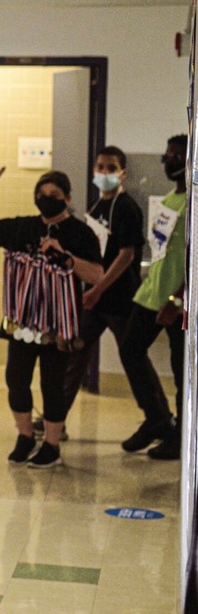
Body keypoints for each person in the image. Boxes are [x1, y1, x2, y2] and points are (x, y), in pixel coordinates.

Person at [0, 168, 103, 468]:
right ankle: (25, 435)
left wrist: (67, 258)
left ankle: (53, 445)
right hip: (22, 321)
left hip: (60, 324)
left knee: (52, 384)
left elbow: (97, 275)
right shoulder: (24, 227)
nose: (46, 200)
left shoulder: (80, 233)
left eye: (54, 196)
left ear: (68, 198)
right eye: (41, 195)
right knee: (15, 380)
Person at [55, 146, 143, 436]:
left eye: (110, 167)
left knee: (133, 358)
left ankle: (157, 417)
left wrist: (98, 288)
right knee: (74, 357)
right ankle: (56, 420)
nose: (104, 173)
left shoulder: (127, 208)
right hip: (94, 300)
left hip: (119, 299)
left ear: (122, 172)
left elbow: (126, 255)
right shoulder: (96, 209)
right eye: (100, 167)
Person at [117, 134, 189, 460]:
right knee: (131, 350)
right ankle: (157, 419)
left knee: (180, 369)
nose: (170, 161)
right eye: (168, 156)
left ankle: (180, 436)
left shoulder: (194, 205)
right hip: (151, 293)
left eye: (178, 156)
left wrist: (177, 300)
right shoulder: (170, 200)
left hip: (179, 301)